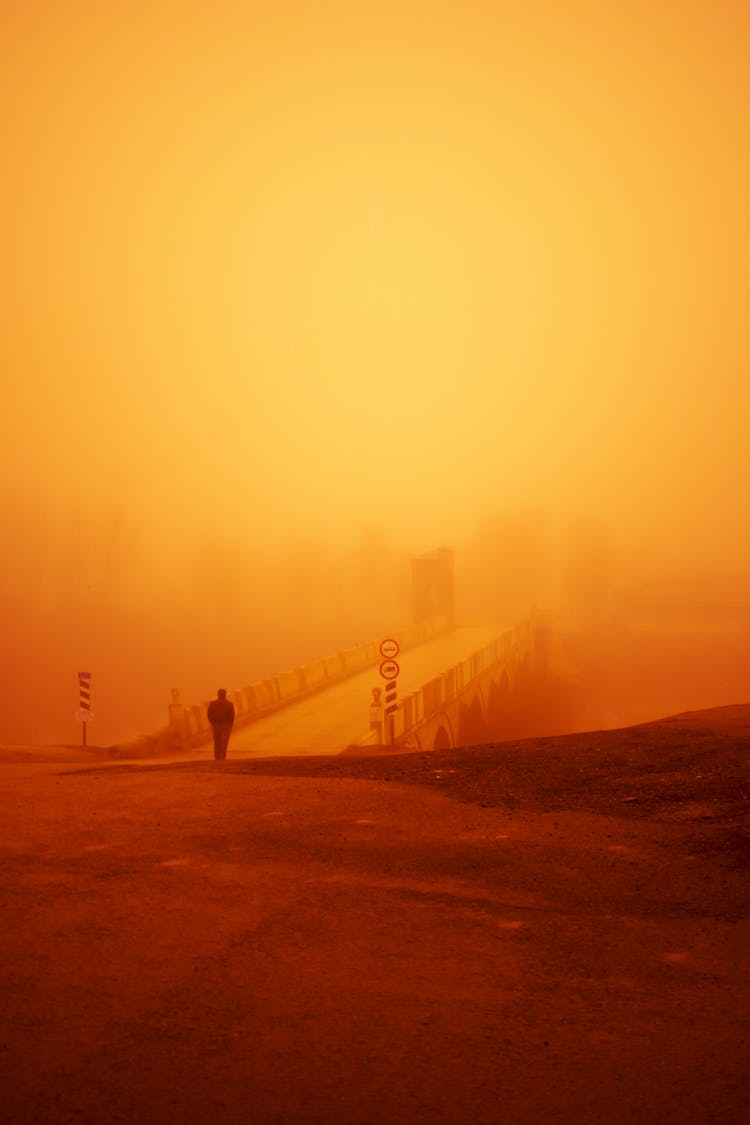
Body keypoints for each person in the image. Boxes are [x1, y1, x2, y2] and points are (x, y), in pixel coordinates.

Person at [207, 688, 235, 760]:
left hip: (216, 726)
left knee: (217, 742)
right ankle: (222, 757)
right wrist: (230, 725)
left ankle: (217, 757)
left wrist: (213, 723)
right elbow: (232, 716)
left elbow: (209, 715)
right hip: (226, 726)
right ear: (225, 695)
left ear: (218, 695)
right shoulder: (229, 704)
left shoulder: (213, 704)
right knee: (224, 742)